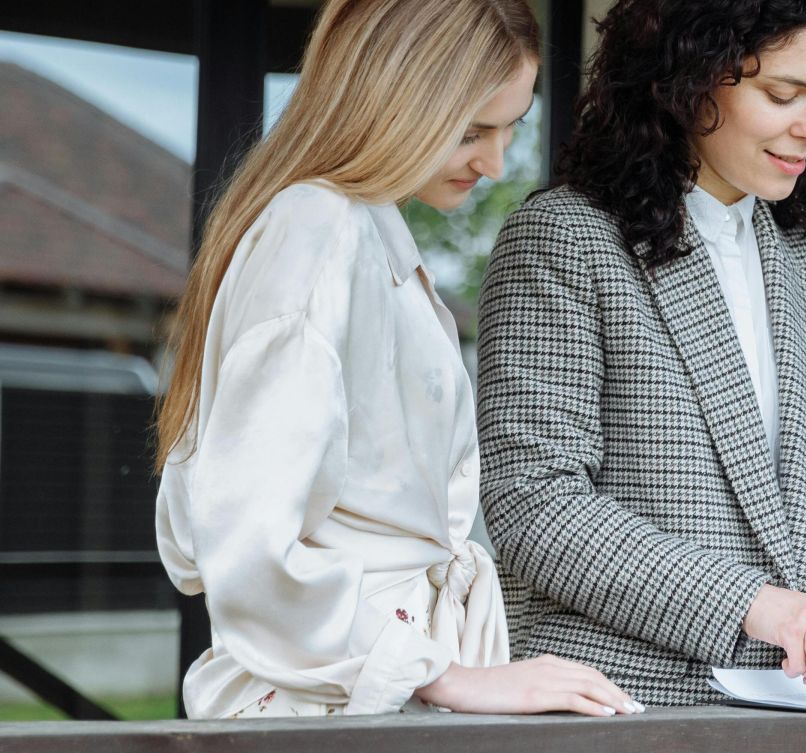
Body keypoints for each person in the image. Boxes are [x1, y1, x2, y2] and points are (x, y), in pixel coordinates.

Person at [153, 0, 637, 719]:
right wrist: (446, 674)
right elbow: (247, 542)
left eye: (512, 129)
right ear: (394, 94)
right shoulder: (317, 232)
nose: (496, 161)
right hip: (325, 702)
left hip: (360, 691)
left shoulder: (363, 231)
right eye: (473, 130)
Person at [477, 0, 806, 706]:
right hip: (613, 705)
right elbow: (534, 502)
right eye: (783, 94)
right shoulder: (565, 240)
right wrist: (765, 606)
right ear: (686, 80)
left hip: (796, 706)